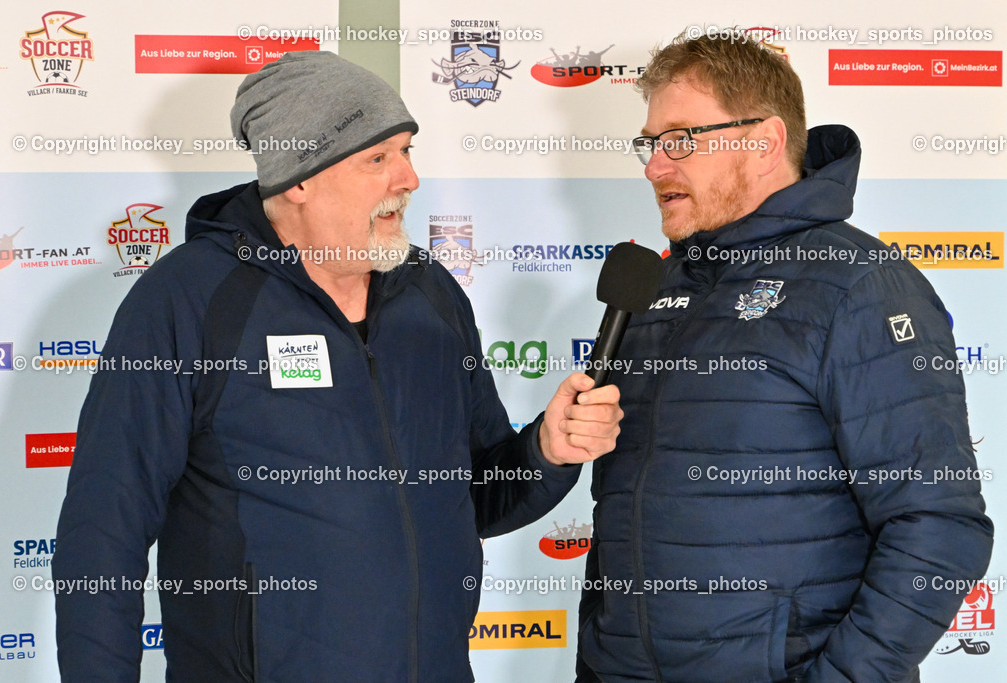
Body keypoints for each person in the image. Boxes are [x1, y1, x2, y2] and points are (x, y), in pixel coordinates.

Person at [52, 51, 623, 682]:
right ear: (299, 177)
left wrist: (545, 452)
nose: (408, 178)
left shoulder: (430, 293)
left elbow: (474, 497)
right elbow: (104, 528)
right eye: (377, 158)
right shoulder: (189, 298)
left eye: (406, 151)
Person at [576, 31, 993, 682]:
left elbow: (937, 527)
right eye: (650, 144)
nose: (655, 167)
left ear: (765, 141)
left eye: (680, 140)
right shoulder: (656, 289)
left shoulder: (859, 287)